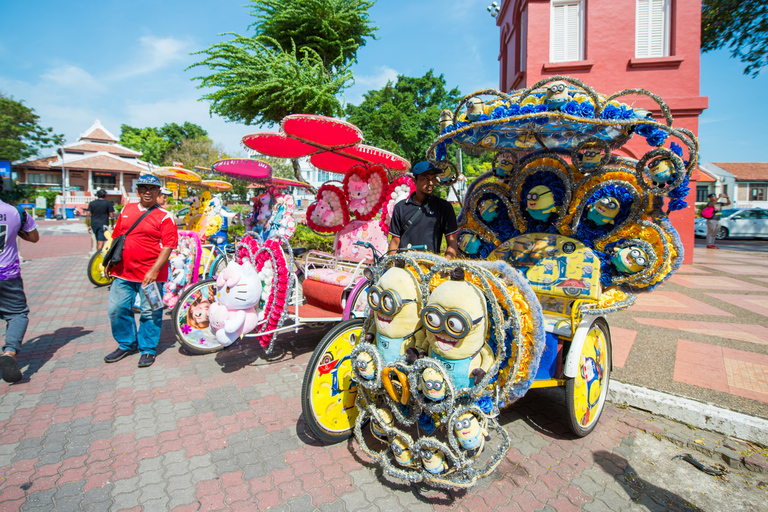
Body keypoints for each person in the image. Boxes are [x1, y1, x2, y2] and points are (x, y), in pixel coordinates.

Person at [104, 174, 178, 368]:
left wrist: (154, 270)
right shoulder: (127, 210)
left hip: (151, 276)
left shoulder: (165, 217)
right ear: (137, 191)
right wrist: (109, 261)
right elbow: (117, 236)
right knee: (117, 309)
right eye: (143, 188)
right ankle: (126, 343)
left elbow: (168, 246)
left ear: (158, 193)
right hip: (122, 272)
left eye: (152, 189)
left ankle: (147, 349)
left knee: (150, 312)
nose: (147, 192)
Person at [0, 186, 40, 383]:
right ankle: (9, 352)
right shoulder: (16, 212)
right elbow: (34, 237)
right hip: (7, 275)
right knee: (17, 314)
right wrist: (16, 231)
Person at [388, 161, 459, 259]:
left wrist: (441, 268)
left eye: (433, 178)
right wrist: (390, 266)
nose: (430, 183)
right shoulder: (401, 207)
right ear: (414, 180)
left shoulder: (444, 207)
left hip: (429, 269)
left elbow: (452, 243)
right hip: (403, 267)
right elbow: (395, 242)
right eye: (425, 178)